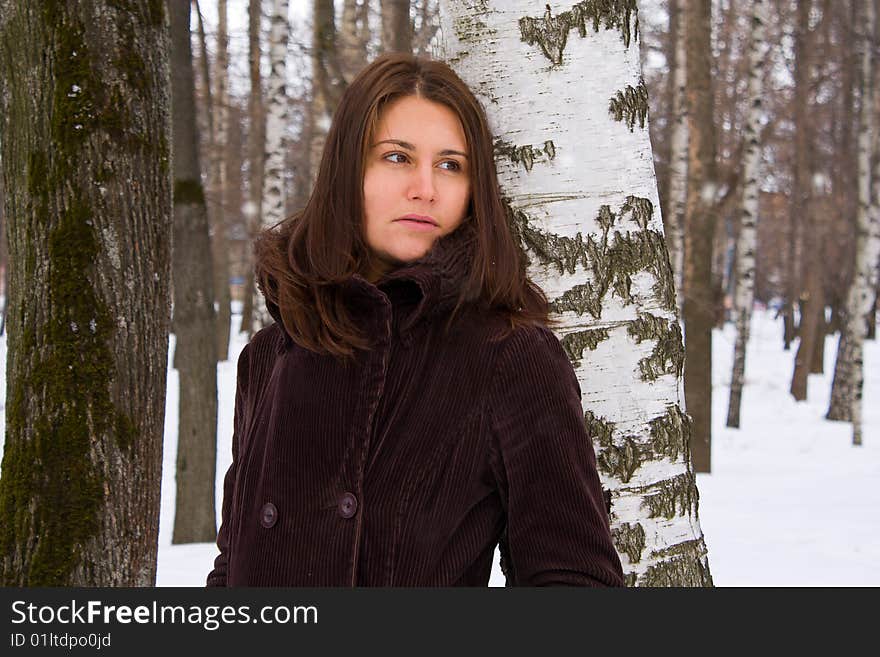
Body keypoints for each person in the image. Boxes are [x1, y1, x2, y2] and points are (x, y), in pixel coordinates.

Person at [206, 53, 624, 587]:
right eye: (397, 157)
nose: (425, 188)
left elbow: (574, 582)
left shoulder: (507, 357)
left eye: (451, 165)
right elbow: (233, 560)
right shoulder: (270, 354)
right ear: (347, 171)